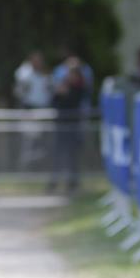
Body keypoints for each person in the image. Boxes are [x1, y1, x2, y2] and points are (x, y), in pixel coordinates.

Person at [49, 61, 88, 193]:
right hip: (61, 125)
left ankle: (72, 183)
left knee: (72, 157)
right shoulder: (63, 84)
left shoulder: (80, 87)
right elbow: (54, 102)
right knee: (57, 156)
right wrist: (59, 93)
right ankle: (53, 183)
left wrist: (66, 94)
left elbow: (75, 101)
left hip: (73, 126)